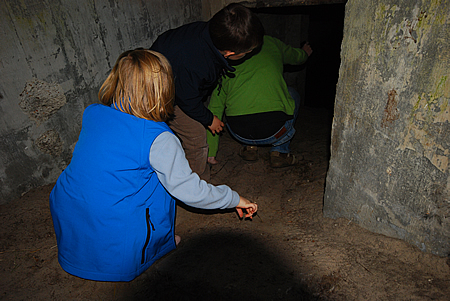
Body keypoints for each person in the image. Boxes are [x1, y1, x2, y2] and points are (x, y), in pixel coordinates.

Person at [49, 49, 257, 282]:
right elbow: (191, 191)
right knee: (159, 185)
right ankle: (155, 247)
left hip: (68, 204)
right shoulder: (159, 138)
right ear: (164, 90)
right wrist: (234, 198)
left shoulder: (93, 112)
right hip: (114, 222)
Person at [150, 3, 264, 181]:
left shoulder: (209, 32)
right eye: (248, 52)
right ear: (229, 52)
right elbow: (187, 99)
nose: (248, 54)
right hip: (158, 93)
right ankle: (195, 186)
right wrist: (209, 119)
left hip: (172, 80)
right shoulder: (196, 63)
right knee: (196, 136)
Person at [207, 35, 313, 168]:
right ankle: (280, 151)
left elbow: (214, 109)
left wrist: (210, 152)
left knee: (241, 99)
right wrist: (304, 52)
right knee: (292, 94)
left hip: (239, 133)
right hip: (276, 132)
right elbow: (297, 58)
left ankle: (249, 147)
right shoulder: (272, 42)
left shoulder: (227, 58)